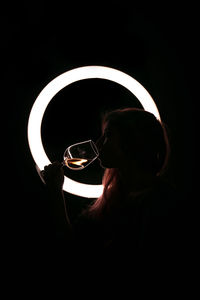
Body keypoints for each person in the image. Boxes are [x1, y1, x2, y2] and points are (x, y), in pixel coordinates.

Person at [42, 107, 180, 268]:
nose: (98, 144)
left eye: (108, 135)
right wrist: (55, 191)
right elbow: (73, 245)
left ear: (132, 143)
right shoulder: (114, 196)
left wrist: (55, 193)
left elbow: (75, 255)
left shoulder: (160, 202)